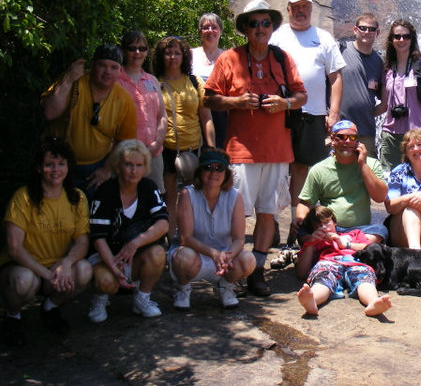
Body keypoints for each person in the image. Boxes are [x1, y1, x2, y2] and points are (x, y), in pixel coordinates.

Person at [204, 0, 307, 296]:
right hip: (241, 150)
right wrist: (236, 102)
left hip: (277, 150)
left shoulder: (282, 58)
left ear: (272, 28)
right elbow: (209, 98)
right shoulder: (230, 59)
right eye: (254, 24)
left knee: (267, 212)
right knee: (235, 213)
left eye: (266, 23)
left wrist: (284, 103)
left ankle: (257, 270)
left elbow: (301, 95)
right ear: (245, 29)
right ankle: (231, 269)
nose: (260, 28)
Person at [270, 0, 346, 245]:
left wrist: (333, 112)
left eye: (305, 6)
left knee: (305, 170)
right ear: (288, 9)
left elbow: (335, 77)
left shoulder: (323, 38)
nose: (301, 11)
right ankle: (268, 224)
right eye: (296, 7)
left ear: (311, 10)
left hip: (313, 114)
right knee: (275, 169)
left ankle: (299, 225)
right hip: (279, 112)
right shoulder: (277, 36)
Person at [0, 138, 92, 345]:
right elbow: (15, 248)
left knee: (85, 270)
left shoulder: (77, 197)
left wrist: (67, 263)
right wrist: (47, 274)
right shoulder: (23, 197)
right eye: (49, 164)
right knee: (24, 281)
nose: (55, 170)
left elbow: (82, 242)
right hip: (24, 267)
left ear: (68, 166)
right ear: (40, 168)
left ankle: (50, 307)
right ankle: (12, 316)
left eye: (61, 164)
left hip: (57, 267)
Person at [41, 44, 138, 199]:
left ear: (120, 71)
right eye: (102, 65)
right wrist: (69, 79)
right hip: (58, 163)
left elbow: (125, 142)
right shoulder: (74, 83)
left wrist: (107, 170)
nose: (107, 72)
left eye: (114, 67)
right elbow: (50, 113)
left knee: (89, 215)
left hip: (95, 169)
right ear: (92, 65)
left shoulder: (124, 100)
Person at [86, 140, 168, 323]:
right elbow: (98, 238)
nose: (134, 170)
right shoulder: (105, 191)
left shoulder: (148, 187)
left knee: (158, 253)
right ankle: (100, 299)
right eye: (128, 165)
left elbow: (163, 224)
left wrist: (135, 243)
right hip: (107, 257)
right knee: (105, 280)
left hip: (136, 255)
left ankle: (142, 298)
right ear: (117, 166)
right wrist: (114, 267)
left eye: (139, 165)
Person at [169, 149, 256, 309]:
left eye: (219, 168)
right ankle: (183, 288)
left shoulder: (235, 196)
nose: (213, 173)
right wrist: (214, 254)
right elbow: (185, 238)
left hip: (224, 256)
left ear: (226, 173)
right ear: (199, 171)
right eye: (208, 168)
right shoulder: (187, 194)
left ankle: (226, 286)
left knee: (248, 260)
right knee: (184, 257)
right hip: (195, 255)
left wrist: (227, 256)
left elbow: (239, 239)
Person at [152, 35, 215, 237]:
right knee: (170, 197)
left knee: (194, 197)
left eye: (177, 53)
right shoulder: (153, 83)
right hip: (165, 149)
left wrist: (211, 148)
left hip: (193, 148)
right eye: (168, 53)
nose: (172, 57)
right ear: (161, 57)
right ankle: (171, 242)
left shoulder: (195, 81)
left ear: (184, 56)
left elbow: (206, 117)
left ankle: (193, 239)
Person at [295, 120, 388, 248]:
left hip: (361, 230)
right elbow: (305, 204)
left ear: (358, 141)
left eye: (352, 137)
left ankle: (342, 244)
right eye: (342, 137)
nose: (348, 141)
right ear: (332, 140)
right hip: (330, 229)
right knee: (301, 230)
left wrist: (363, 165)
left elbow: (380, 197)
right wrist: (301, 220)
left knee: (380, 230)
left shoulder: (371, 164)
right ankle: (352, 246)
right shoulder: (319, 169)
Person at [295, 206, 392, 317]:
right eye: (319, 226)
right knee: (323, 278)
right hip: (329, 262)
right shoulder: (315, 242)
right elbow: (301, 272)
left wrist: (346, 244)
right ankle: (312, 300)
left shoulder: (354, 234)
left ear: (334, 222)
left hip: (355, 261)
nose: (324, 228)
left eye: (327, 223)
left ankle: (373, 302)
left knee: (364, 278)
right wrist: (311, 243)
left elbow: (369, 248)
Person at [378, 19, 421, 173]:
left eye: (406, 36)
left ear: (412, 38)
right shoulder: (388, 68)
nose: (401, 40)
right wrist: (360, 116)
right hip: (391, 134)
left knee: (420, 178)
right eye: (397, 37)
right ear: (391, 40)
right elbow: (384, 104)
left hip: (417, 133)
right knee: (389, 178)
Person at [117, 30, 167, 192]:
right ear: (124, 50)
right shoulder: (115, 80)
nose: (137, 52)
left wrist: (157, 143)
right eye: (132, 48)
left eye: (142, 48)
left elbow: (162, 115)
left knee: (153, 200)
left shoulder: (151, 80)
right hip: (124, 155)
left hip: (153, 154)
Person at [338, 13, 385, 157]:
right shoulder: (340, 50)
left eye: (371, 29)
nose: (367, 32)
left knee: (367, 174)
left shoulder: (379, 61)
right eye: (363, 28)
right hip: (340, 128)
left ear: (377, 33)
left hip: (366, 131)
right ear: (355, 30)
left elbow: (384, 101)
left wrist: (368, 113)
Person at [191, 13, 228, 149]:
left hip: (221, 113)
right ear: (200, 31)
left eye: (214, 27)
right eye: (206, 27)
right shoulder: (190, 55)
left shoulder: (228, 57)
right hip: (194, 112)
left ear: (220, 31)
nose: (210, 31)